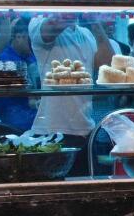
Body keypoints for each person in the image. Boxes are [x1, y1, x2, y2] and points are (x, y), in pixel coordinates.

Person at [28, 11, 112, 175]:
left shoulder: (85, 33)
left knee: (86, 192)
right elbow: (58, 21)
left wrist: (95, 21)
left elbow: (107, 65)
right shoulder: (37, 21)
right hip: (52, 131)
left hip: (86, 129)